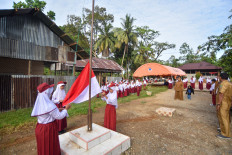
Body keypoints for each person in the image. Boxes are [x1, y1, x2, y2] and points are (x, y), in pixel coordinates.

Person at [31, 82, 71, 155]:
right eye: (49, 92)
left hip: (40, 128)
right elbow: (59, 116)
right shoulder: (49, 105)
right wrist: (66, 109)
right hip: (48, 129)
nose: (50, 93)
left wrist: (59, 109)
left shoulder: (40, 102)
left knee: (43, 147)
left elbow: (47, 113)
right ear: (46, 93)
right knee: (50, 147)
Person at [216, 73, 232, 139]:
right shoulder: (229, 83)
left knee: (223, 117)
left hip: (223, 103)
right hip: (228, 102)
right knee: (226, 117)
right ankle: (224, 130)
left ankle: (226, 134)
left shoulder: (223, 84)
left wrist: (218, 104)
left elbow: (221, 94)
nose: (218, 77)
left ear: (221, 77)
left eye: (219, 76)